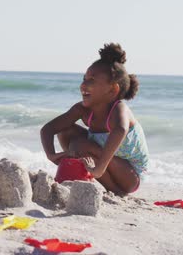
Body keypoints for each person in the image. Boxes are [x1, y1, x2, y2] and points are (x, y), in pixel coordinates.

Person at [40, 43, 149, 195]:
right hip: (100, 162)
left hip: (130, 176)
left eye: (91, 80)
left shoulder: (118, 109)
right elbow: (48, 129)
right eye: (84, 79)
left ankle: (115, 190)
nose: (83, 84)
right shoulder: (82, 109)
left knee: (81, 145)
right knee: (66, 130)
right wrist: (51, 155)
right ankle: (81, 174)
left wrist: (99, 169)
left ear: (112, 89)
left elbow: (121, 129)